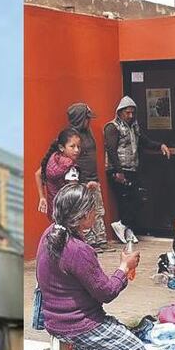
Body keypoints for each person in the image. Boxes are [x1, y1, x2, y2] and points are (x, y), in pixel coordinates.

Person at [36, 183, 145, 350]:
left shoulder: (51, 233)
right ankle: (73, 348)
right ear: (83, 215)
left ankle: (67, 341)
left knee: (128, 332)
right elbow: (106, 292)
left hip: (53, 319)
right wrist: (124, 268)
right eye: (93, 209)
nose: (96, 213)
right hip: (78, 324)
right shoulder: (78, 250)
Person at [103, 95, 173, 236]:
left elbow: (145, 141)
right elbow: (111, 149)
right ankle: (122, 225)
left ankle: (126, 227)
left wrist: (160, 145)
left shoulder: (134, 127)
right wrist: (118, 171)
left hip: (132, 168)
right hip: (119, 170)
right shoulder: (113, 127)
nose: (130, 115)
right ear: (120, 112)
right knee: (127, 200)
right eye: (127, 112)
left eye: (132, 112)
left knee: (136, 199)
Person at [67, 102, 107, 249]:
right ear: (79, 118)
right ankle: (89, 241)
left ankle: (101, 239)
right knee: (85, 211)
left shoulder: (88, 132)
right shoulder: (71, 137)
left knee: (98, 210)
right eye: (86, 118)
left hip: (93, 178)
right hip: (81, 180)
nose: (89, 121)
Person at [34, 127, 81, 216]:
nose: (77, 150)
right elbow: (74, 194)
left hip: (54, 211)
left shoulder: (52, 157)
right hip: (67, 214)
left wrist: (42, 197)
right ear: (61, 147)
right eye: (72, 146)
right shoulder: (70, 166)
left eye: (78, 146)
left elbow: (37, 174)